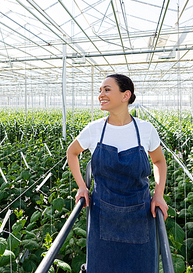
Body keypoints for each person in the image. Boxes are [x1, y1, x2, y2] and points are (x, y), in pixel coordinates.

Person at [67, 73, 168, 273]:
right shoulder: (94, 129)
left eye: (107, 89)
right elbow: (72, 152)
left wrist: (159, 194)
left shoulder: (145, 130)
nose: (101, 95)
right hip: (103, 217)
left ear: (125, 95)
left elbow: (159, 161)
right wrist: (82, 187)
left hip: (140, 216)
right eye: (100, 91)